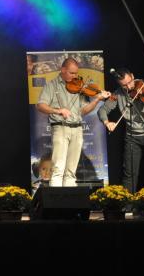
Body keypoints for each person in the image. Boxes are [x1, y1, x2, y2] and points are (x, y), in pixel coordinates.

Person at [36, 57, 111, 187]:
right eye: (72, 73)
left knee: (71, 172)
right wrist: (58, 111)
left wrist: (97, 99)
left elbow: (84, 110)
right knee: (58, 169)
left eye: (76, 73)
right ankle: (56, 199)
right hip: (60, 128)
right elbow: (40, 105)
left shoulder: (79, 87)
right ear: (63, 70)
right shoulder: (51, 85)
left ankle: (69, 200)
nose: (75, 76)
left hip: (77, 129)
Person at [97, 67, 144, 193]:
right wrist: (107, 122)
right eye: (124, 85)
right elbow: (102, 110)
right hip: (132, 137)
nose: (129, 87)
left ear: (133, 76)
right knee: (129, 175)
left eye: (129, 82)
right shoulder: (117, 94)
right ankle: (128, 203)